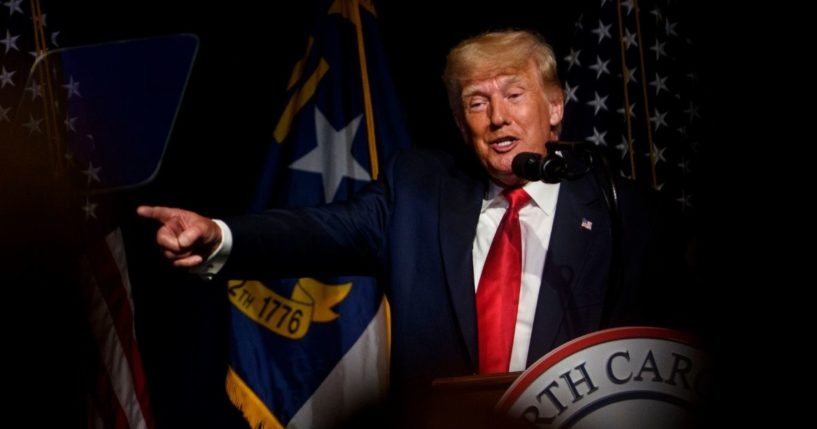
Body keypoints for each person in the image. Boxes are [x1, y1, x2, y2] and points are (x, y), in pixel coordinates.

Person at [138, 29, 685, 416]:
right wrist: (219, 234)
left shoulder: (620, 210)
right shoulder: (419, 189)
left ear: (556, 106)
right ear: (459, 120)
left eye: (515, 94)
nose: (498, 116)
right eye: (477, 102)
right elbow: (319, 230)